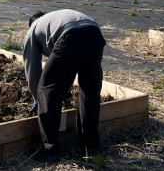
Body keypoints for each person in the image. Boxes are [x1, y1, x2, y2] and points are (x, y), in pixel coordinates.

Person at [23, 9, 106, 163]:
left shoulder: (32, 30)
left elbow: (32, 69)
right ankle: (91, 145)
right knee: (90, 90)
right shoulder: (55, 20)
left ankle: (50, 150)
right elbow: (69, 62)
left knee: (47, 89)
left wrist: (37, 98)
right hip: (94, 33)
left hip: (70, 36)